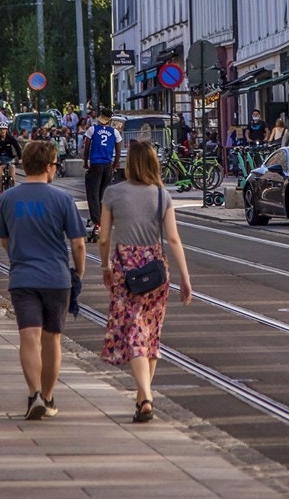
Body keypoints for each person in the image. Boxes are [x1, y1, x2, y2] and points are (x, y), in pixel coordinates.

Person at [99, 142, 194, 423]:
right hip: (155, 270)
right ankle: (142, 399)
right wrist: (185, 278)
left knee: (133, 333)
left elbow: (104, 238)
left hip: (125, 269)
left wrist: (105, 265)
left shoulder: (112, 193)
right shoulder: (162, 195)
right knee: (150, 334)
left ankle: (146, 397)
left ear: (130, 164)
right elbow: (174, 239)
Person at [0, 141, 87, 420]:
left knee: (28, 336)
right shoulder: (62, 199)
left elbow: (3, 241)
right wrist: (78, 274)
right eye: (56, 164)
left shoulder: (8, 199)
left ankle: (34, 393)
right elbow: (78, 244)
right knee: (51, 340)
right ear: (48, 166)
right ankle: (47, 398)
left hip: (22, 277)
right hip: (56, 279)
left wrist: (20, 257)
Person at [83, 109, 122, 237]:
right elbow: (118, 149)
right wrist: (115, 164)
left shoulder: (92, 130)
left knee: (92, 194)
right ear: (110, 120)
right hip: (107, 166)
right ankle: (105, 221)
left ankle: (97, 223)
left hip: (95, 164)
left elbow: (87, 146)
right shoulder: (115, 132)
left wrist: (85, 162)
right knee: (103, 195)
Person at [0, 124, 20, 193]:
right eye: (0, 129)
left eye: (4, 129)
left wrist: (20, 158)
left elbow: (18, 148)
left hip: (9, 158)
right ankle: (0, 192)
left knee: (13, 177)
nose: (2, 131)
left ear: (6, 130)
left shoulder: (10, 138)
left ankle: (12, 192)